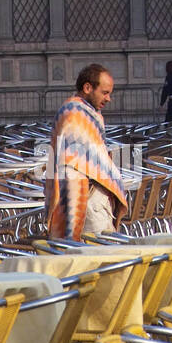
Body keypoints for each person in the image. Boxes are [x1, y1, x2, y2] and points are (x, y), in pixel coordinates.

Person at [46, 64, 128, 239]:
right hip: (85, 199)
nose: (109, 99)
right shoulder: (73, 113)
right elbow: (75, 158)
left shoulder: (89, 113)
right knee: (101, 255)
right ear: (88, 88)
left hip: (95, 196)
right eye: (105, 93)